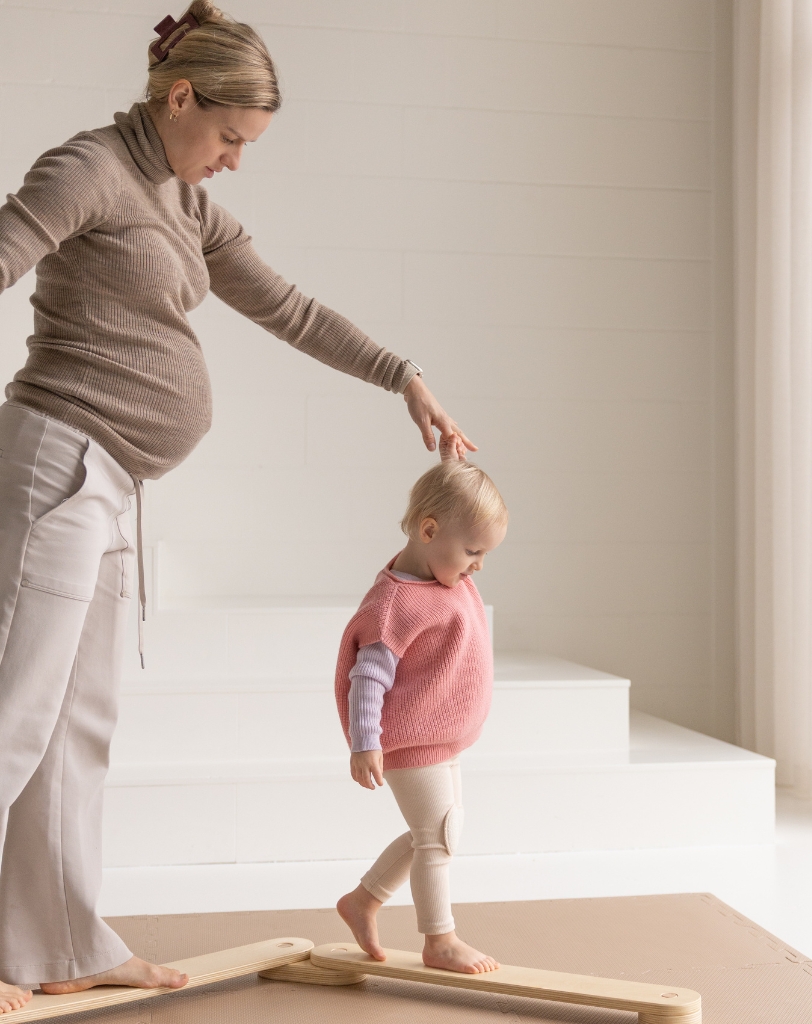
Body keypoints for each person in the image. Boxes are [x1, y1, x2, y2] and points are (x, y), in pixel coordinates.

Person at [0, 2, 474, 1013]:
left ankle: (60, 943)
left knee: (78, 725)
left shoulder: (181, 197)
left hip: (111, 482)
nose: (233, 161)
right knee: (14, 715)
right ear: (180, 98)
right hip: (57, 465)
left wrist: (402, 374)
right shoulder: (89, 168)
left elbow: (287, 306)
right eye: (228, 137)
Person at [334, 460, 507, 974]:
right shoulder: (395, 604)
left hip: (443, 740)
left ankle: (363, 901)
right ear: (428, 530)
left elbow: (451, 494)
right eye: (473, 551)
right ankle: (440, 940)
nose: (478, 565)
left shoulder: (442, 576)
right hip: (409, 743)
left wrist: (454, 460)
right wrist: (365, 741)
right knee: (440, 835)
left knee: (433, 833)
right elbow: (367, 679)